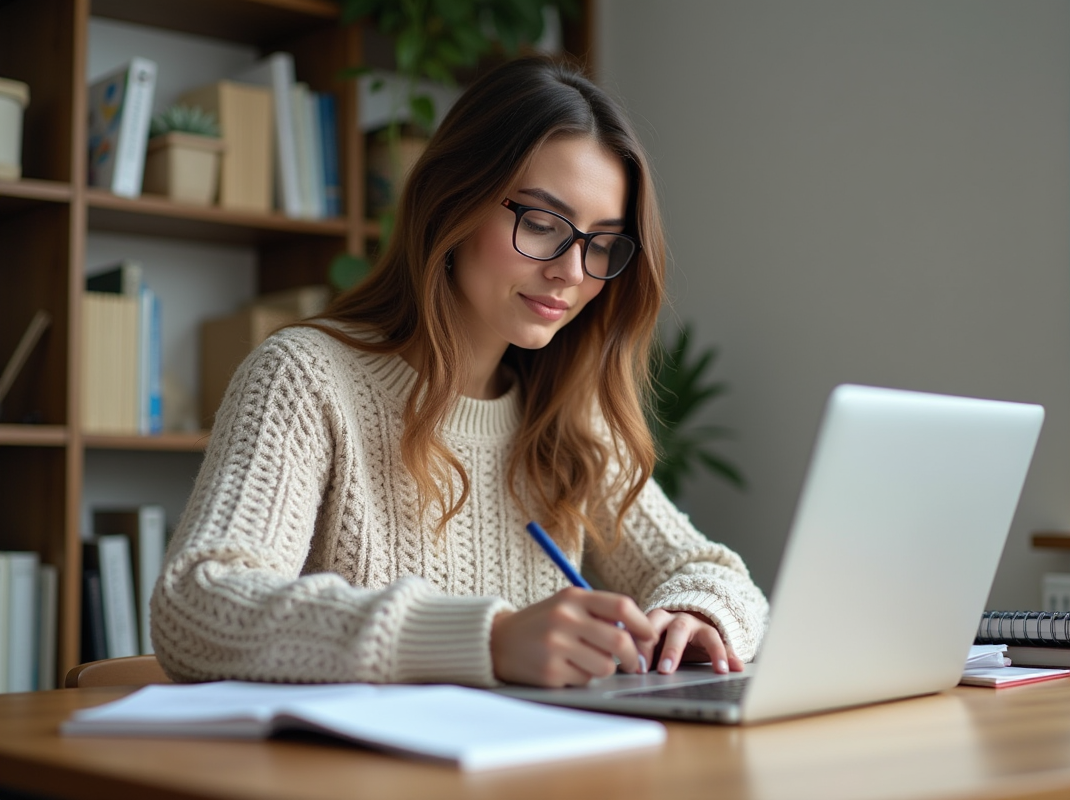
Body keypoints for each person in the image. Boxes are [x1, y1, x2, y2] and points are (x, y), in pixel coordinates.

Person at [150, 56, 769, 688]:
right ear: (454, 203)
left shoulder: (562, 415)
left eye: (602, 242)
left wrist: (697, 613)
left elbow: (707, 569)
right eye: (541, 223)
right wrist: (489, 640)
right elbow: (199, 605)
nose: (572, 272)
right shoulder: (305, 378)